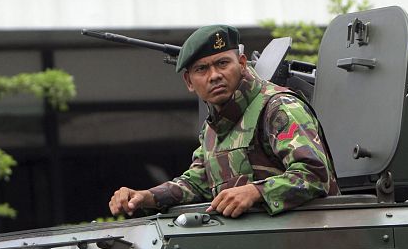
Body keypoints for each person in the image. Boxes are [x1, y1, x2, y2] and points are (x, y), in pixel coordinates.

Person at [109, 24, 339, 218]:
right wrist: (146, 196)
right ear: (189, 82)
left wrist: (255, 192)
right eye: (202, 69)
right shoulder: (214, 127)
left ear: (241, 63)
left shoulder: (278, 107)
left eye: (222, 63)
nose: (215, 75)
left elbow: (314, 175)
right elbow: (197, 183)